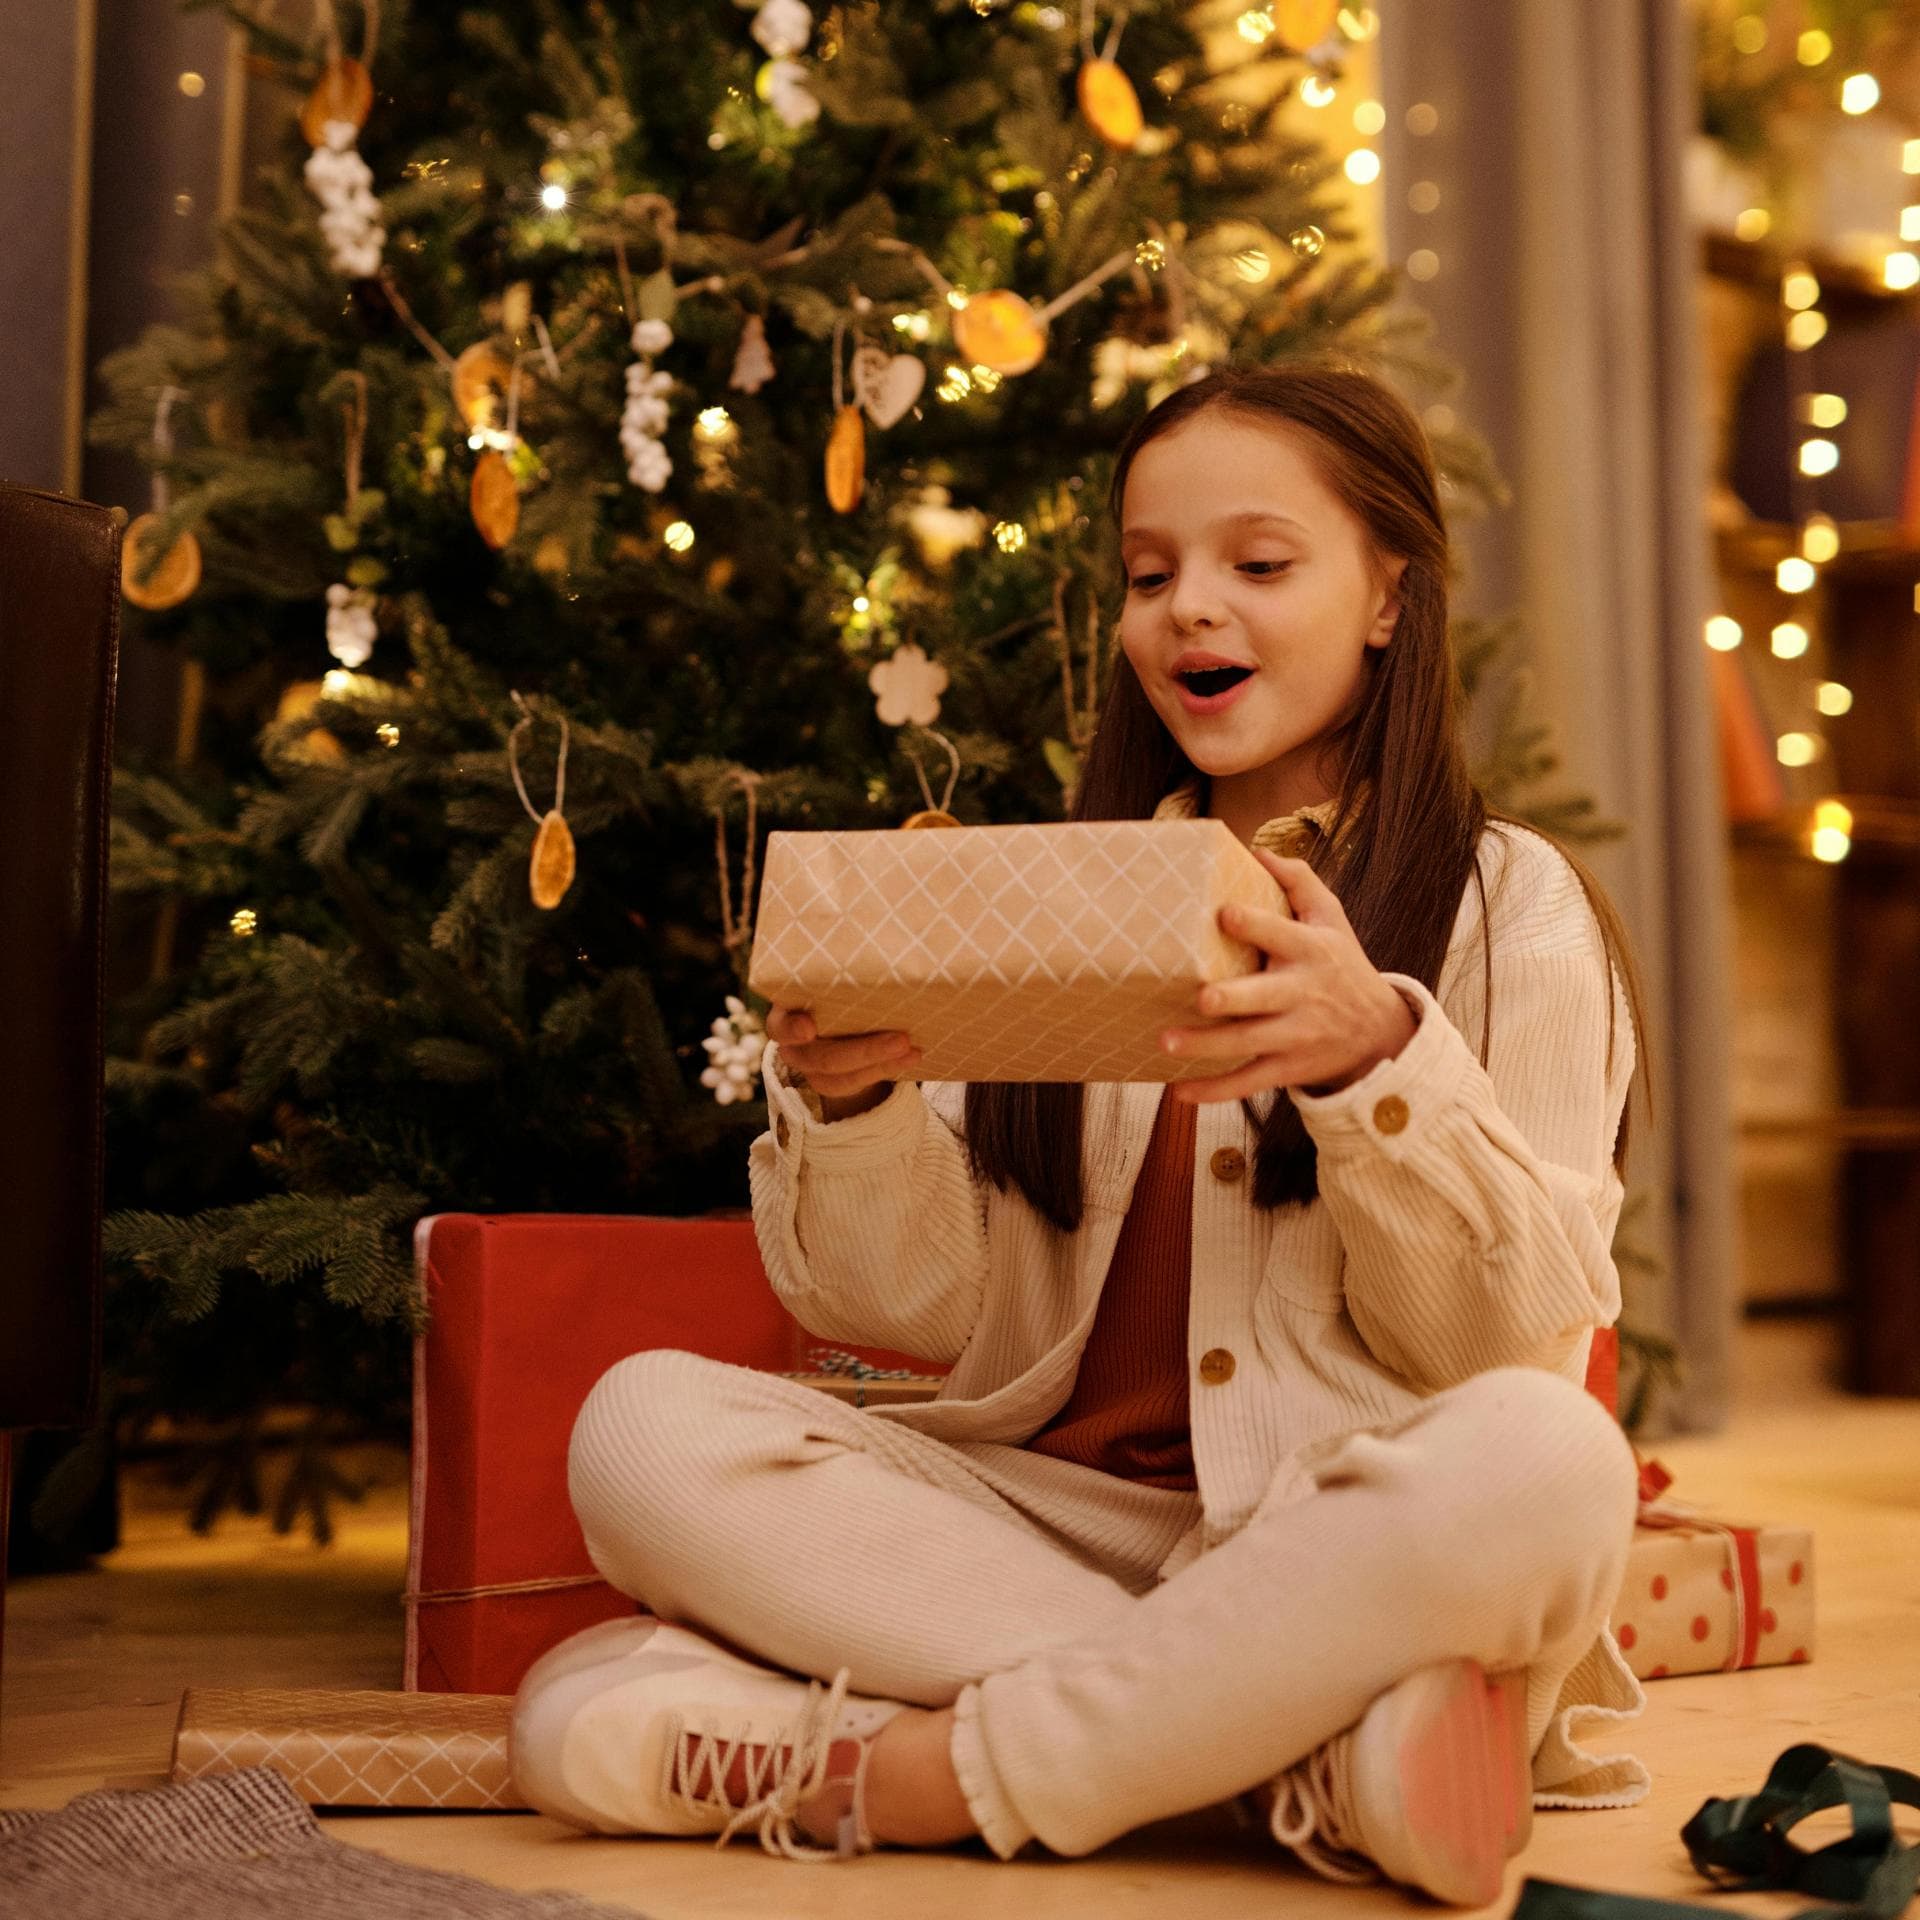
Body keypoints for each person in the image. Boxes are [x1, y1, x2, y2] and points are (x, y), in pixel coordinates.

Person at [511, 360, 1651, 1900]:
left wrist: (1377, 1066)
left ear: (1390, 593)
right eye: (1149, 573)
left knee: (1551, 1458)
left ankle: (919, 1778)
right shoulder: (1061, 893)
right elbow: (908, 1311)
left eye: (1257, 565)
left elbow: (1501, 1347)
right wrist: (854, 1103)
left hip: (1347, 1525)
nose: (1188, 609)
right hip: (1047, 1528)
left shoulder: (1514, 909)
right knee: (644, 1424)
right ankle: (1296, 1755)